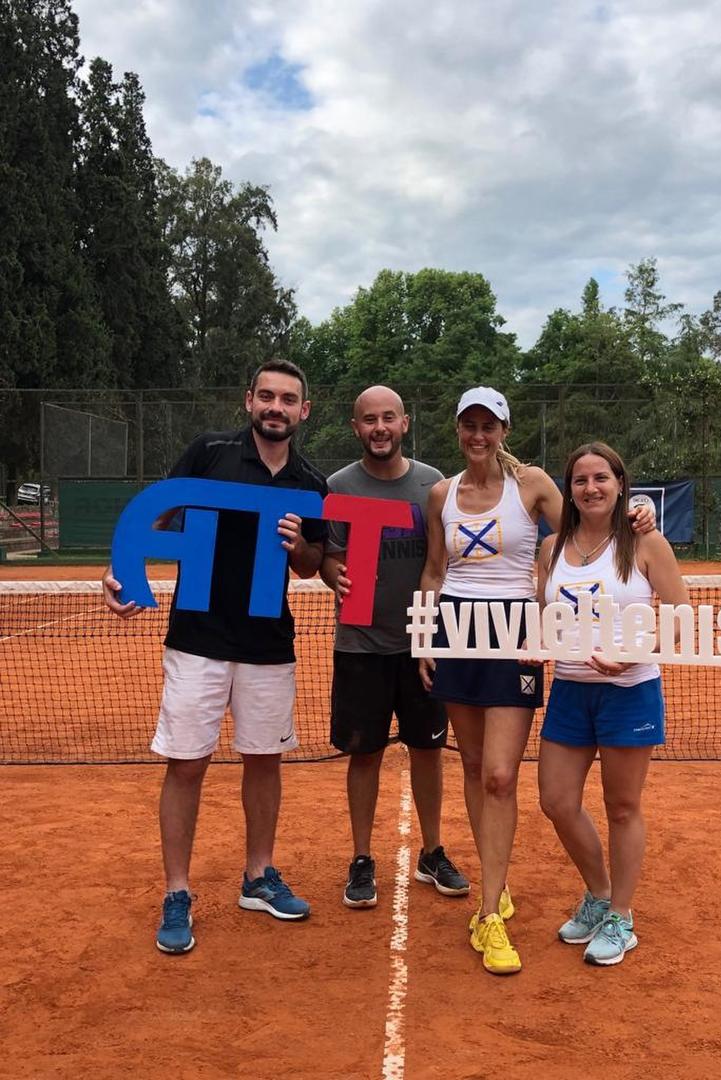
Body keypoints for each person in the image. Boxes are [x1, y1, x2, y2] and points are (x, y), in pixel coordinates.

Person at [418, 389, 655, 976]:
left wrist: (640, 507)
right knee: (474, 767)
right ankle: (493, 892)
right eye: (469, 425)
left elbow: (586, 525)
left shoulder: (534, 485)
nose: (479, 434)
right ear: (458, 430)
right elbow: (434, 569)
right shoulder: (441, 494)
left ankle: (491, 914)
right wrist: (424, 635)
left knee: (500, 774)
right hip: (454, 632)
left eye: (489, 425)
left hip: (516, 636)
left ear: (504, 429)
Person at [102, 358, 328, 954]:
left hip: (267, 644)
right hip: (197, 641)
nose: (276, 408)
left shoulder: (311, 481)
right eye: (267, 397)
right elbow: (158, 510)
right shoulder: (209, 451)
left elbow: (310, 564)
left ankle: (258, 876)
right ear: (249, 399)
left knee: (264, 760)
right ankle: (177, 891)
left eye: (288, 400)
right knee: (186, 764)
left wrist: (300, 543)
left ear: (304, 411)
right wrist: (122, 565)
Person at [535, 441, 688, 966]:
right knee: (555, 800)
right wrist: (532, 651)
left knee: (622, 807)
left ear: (620, 484)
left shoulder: (646, 543)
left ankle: (622, 916)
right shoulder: (551, 546)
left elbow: (680, 614)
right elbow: (542, 616)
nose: (591, 488)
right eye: (580, 480)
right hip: (570, 689)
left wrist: (630, 655)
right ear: (569, 490)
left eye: (601, 478)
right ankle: (599, 894)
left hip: (631, 690)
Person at [320, 385, 469, 908]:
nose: (379, 428)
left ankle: (432, 851)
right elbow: (328, 559)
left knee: (428, 750)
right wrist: (332, 571)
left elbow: (446, 558)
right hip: (360, 644)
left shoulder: (435, 485)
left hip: (425, 644)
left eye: (388, 418)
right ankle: (362, 858)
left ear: (405, 423)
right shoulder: (337, 486)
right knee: (363, 755)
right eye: (368, 420)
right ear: (355, 427)